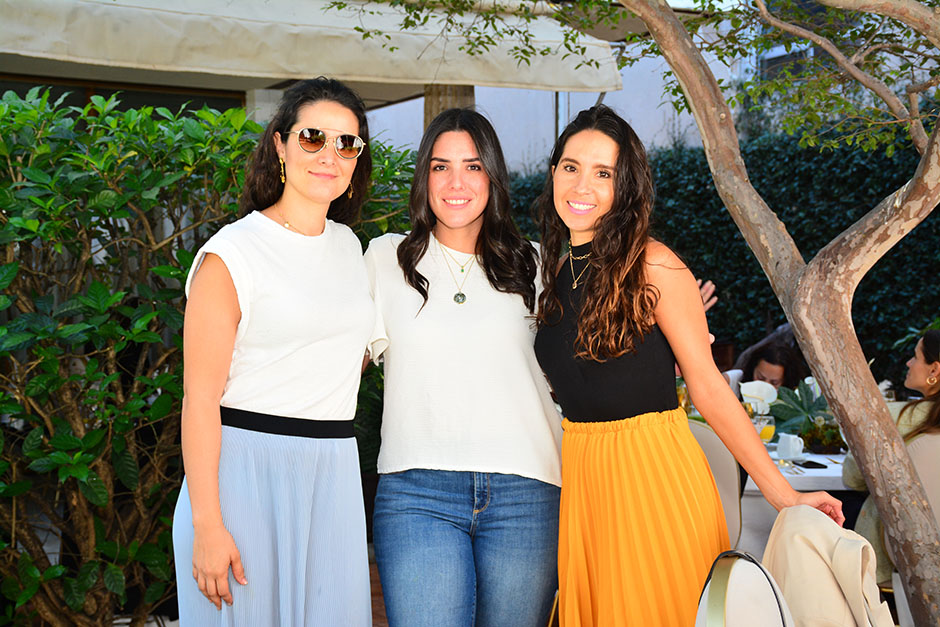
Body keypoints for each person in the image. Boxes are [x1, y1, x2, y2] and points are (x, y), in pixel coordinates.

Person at [532, 105, 844, 626]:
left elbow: (708, 387)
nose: (582, 184)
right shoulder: (559, 269)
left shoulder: (654, 262)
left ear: (624, 187)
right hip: (584, 478)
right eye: (571, 166)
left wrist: (782, 493)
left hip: (651, 475)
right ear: (554, 173)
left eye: (603, 173)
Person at [172, 78, 374, 625]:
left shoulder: (349, 248)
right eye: (312, 138)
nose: (330, 155)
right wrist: (207, 524)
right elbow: (199, 400)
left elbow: (340, 356)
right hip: (244, 477)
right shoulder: (231, 254)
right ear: (280, 145)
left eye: (346, 143)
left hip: (331, 475)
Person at [364, 108, 562, 627]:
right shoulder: (385, 259)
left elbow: (588, 364)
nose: (456, 182)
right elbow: (333, 358)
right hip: (416, 492)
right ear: (423, 177)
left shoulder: (540, 266)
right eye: (440, 166)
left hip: (528, 491)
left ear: (493, 177)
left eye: (473, 167)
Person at [842, 328, 940, 584]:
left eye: (915, 356)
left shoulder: (891, 417)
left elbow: (853, 478)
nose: (909, 363)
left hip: (892, 560)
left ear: (934, 370)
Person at [723, 341, 804, 397]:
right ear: (753, 368)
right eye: (760, 378)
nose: (765, 386)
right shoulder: (733, 380)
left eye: (774, 382)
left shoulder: (795, 396)